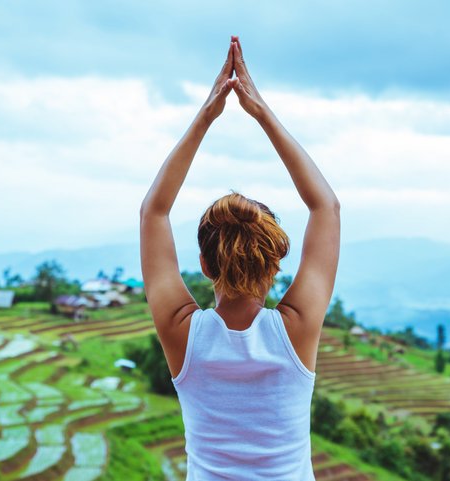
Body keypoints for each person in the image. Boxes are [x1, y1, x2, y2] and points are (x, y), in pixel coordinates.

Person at [140, 36, 340, 481]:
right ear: (274, 265)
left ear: (205, 265)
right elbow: (325, 206)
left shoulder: (183, 333)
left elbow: (154, 211)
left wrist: (207, 115)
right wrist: (261, 112)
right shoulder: (296, 329)